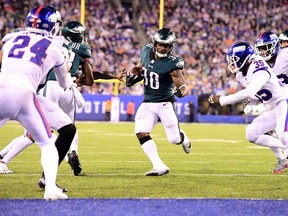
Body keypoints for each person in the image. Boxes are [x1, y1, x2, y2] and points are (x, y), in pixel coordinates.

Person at [0, 5, 73, 200]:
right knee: (47, 143)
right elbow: (64, 83)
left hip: (1, 90)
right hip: (24, 95)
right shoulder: (55, 47)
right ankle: (50, 188)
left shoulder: (9, 39)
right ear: (51, 25)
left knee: (67, 129)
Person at [208, 41, 288, 174]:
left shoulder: (258, 66)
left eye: (234, 60)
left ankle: (285, 152)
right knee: (252, 133)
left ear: (245, 58)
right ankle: (283, 159)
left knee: (283, 135)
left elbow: (250, 90)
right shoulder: (240, 74)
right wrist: (251, 101)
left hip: (282, 103)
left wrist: (222, 100)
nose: (232, 64)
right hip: (270, 107)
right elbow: (257, 94)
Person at [125, 27, 191, 176]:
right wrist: (133, 77)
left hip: (165, 103)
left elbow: (182, 83)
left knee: (174, 139)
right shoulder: (145, 50)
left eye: (166, 45)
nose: (162, 47)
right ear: (155, 42)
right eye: (160, 44)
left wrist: (182, 91)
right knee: (141, 131)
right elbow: (142, 69)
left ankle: (183, 137)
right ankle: (159, 165)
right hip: (148, 101)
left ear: (171, 46)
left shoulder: (173, 63)